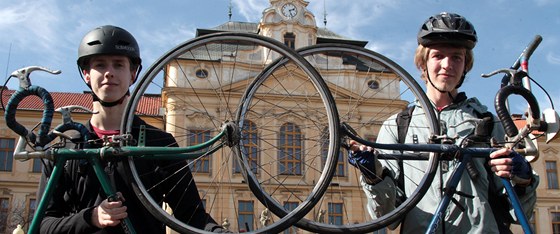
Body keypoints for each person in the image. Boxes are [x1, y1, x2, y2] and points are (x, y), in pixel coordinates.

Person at [348, 12, 539, 233]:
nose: (447, 65)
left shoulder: (488, 123)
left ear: (466, 65)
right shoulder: (398, 126)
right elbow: (387, 217)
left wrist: (523, 180)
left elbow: (518, 213)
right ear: (422, 64)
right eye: (438, 56)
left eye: (456, 57)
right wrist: (374, 177)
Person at [37, 25, 224, 233]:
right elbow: (43, 225)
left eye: (118, 65)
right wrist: (90, 217)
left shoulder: (159, 143)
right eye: (100, 65)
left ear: (133, 74)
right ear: (86, 74)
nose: (109, 73)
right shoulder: (66, 145)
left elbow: (191, 215)